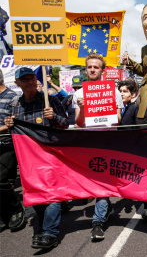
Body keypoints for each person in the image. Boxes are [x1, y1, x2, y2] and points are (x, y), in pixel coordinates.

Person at [4, 67, 68, 249]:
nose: (29, 82)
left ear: (36, 80)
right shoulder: (15, 103)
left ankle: (49, 233)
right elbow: (14, 129)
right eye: (24, 80)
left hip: (50, 155)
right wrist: (9, 124)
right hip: (28, 159)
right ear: (17, 83)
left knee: (52, 194)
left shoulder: (51, 100)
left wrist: (54, 117)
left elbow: (64, 125)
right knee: (36, 193)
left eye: (32, 78)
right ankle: (43, 227)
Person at [72, 53, 124, 241]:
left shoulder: (114, 92)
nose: (92, 70)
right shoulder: (78, 94)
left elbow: (118, 120)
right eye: (89, 67)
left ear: (102, 70)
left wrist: (106, 110)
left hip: (107, 143)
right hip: (88, 143)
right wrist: (84, 108)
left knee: (102, 181)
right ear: (86, 69)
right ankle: (107, 207)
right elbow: (79, 122)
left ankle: (98, 222)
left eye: (96, 67)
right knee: (93, 181)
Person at [0, 69, 24, 232]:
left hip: (6, 144)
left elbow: (16, 124)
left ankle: (16, 209)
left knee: (1, 181)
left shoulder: (12, 98)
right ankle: (4, 216)